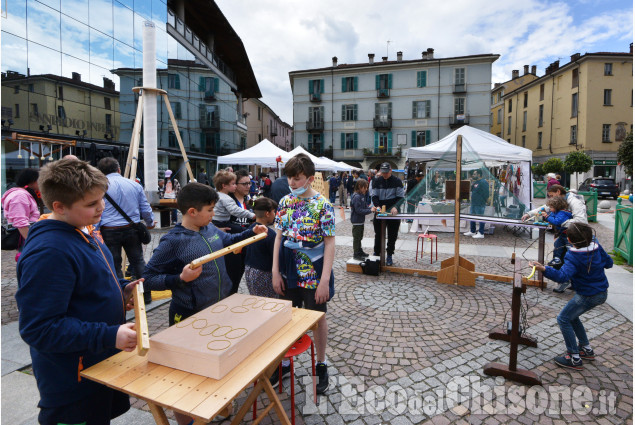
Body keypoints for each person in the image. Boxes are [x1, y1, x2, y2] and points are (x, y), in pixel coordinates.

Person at [16, 157, 140, 425]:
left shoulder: (80, 229)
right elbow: (40, 329)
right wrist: (109, 334)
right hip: (73, 380)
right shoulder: (50, 251)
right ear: (59, 206)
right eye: (91, 204)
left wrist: (121, 290)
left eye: (101, 199)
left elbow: (89, 281)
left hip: (97, 365)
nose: (102, 208)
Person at [143, 182, 267, 425]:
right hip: (189, 315)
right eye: (210, 209)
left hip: (217, 309)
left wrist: (251, 233)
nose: (213, 214)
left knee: (213, 364)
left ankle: (215, 407)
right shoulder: (174, 241)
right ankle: (187, 419)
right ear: (192, 212)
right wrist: (178, 278)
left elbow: (229, 240)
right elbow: (147, 279)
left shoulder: (209, 227)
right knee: (188, 372)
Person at [272, 153, 335, 394]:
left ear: (309, 178)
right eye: (289, 178)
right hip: (289, 268)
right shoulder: (285, 201)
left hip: (314, 267)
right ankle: (285, 362)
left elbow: (330, 243)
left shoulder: (323, 205)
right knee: (286, 315)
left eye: (297, 178)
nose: (292, 183)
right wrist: (275, 271)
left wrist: (324, 281)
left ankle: (321, 363)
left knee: (317, 317)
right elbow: (278, 237)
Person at [530, 223, 612, 370]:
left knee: (563, 318)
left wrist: (544, 269)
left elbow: (562, 276)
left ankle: (574, 357)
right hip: (602, 292)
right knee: (572, 317)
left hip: (587, 295)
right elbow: (609, 263)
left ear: (569, 239)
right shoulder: (596, 246)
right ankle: (586, 349)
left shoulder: (574, 255)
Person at [96, 157, 155, 304]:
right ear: (119, 169)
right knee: (138, 261)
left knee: (114, 264)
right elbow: (145, 208)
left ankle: (121, 297)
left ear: (100, 172)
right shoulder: (134, 185)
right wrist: (150, 223)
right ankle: (146, 295)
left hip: (109, 230)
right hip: (132, 229)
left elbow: (96, 211)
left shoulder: (99, 187)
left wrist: (95, 232)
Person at [522, 184, 588, 292]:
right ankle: (564, 281)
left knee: (572, 258)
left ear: (558, 192)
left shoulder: (574, 202)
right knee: (558, 258)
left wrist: (562, 222)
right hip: (562, 234)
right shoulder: (558, 201)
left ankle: (576, 282)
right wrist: (529, 214)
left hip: (575, 234)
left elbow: (581, 220)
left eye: (551, 195)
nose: (550, 198)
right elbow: (545, 207)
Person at [212, 170, 256, 294]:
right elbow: (235, 211)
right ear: (224, 185)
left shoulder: (249, 199)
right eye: (244, 183)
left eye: (250, 183)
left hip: (240, 244)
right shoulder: (227, 199)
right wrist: (253, 216)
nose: (249, 186)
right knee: (232, 273)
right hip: (228, 237)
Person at [1, 168, 41, 261]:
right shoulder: (20, 196)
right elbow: (20, 222)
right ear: (32, 181)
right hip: (26, 235)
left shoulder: (22, 194)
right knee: (30, 262)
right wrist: (31, 241)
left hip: (26, 234)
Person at [244, 197, 278, 298]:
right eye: (274, 211)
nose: (275, 214)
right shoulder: (269, 234)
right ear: (267, 213)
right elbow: (275, 256)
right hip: (264, 274)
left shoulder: (251, 229)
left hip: (250, 270)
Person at [371, 163, 404, 266]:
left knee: (392, 235)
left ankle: (389, 254)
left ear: (390, 171)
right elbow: (374, 195)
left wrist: (396, 207)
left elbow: (401, 197)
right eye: (383, 172)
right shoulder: (376, 181)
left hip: (392, 212)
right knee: (378, 234)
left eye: (386, 172)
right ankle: (377, 253)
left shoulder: (397, 181)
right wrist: (377, 206)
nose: (384, 174)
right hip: (380, 211)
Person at [542, 195, 573, 267]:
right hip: (562, 234)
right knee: (557, 245)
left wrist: (547, 216)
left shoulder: (562, 213)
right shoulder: (555, 212)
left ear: (557, 207)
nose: (550, 208)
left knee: (569, 247)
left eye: (551, 207)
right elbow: (552, 216)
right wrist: (547, 216)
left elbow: (557, 221)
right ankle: (557, 259)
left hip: (567, 234)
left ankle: (572, 260)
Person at [350, 179, 376, 260]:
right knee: (357, 238)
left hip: (360, 221)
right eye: (365, 187)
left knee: (360, 237)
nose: (366, 189)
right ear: (360, 187)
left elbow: (364, 207)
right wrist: (370, 210)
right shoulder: (357, 197)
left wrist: (371, 208)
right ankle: (356, 253)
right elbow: (358, 210)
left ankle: (359, 250)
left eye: (367, 187)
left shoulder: (362, 196)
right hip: (356, 221)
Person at [463, 169, 489, 239]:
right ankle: (472, 231)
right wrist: (470, 182)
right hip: (474, 203)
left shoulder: (484, 182)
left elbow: (486, 193)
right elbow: (471, 189)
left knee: (480, 218)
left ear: (479, 175)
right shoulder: (476, 182)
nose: (473, 175)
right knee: (472, 217)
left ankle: (481, 233)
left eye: (474, 174)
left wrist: (486, 201)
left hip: (480, 203)